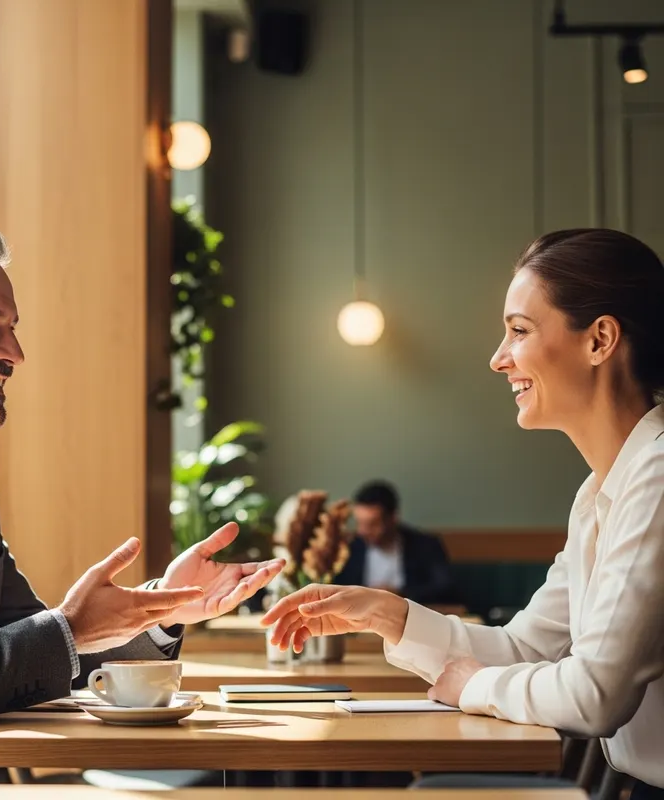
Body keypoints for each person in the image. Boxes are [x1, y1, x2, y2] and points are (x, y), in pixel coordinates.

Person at [0, 220, 284, 783]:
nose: (13, 352)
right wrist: (68, 629)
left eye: (11, 328)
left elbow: (37, 658)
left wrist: (161, 610)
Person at [264, 228, 664, 799]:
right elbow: (529, 649)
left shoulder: (656, 476)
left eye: (519, 331)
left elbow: (595, 694)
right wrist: (390, 616)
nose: (499, 359)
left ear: (599, 339)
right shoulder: (598, 494)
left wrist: (476, 686)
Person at [335, 480, 454, 604]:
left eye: (373, 524)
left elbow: (445, 588)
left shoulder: (425, 545)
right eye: (360, 523)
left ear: (393, 518)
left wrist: (400, 593)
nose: (363, 531)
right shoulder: (350, 548)